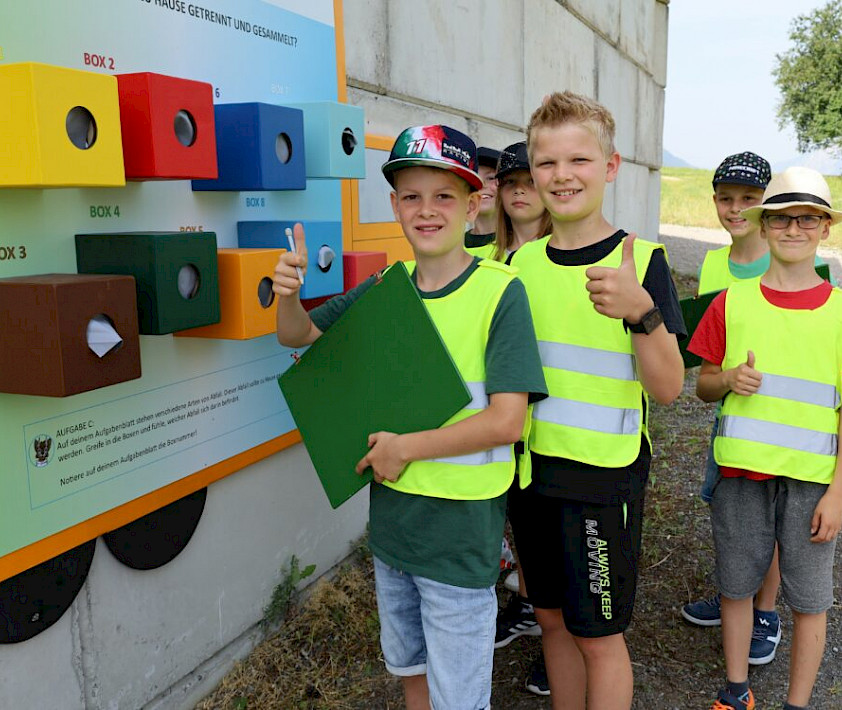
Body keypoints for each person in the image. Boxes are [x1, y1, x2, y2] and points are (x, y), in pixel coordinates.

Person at [273, 124, 547, 710]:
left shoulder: (501, 293)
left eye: (444, 196)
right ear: (394, 205)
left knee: (459, 694)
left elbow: (508, 423)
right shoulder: (384, 290)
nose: (427, 211)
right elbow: (298, 335)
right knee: (411, 670)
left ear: (475, 204)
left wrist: (407, 448)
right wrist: (289, 295)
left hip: (459, 536)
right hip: (395, 528)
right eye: (412, 196)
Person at [509, 91, 686, 709]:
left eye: (580, 160)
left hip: (603, 483)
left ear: (610, 167)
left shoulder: (644, 263)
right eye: (548, 163)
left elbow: (668, 389)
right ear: (532, 172)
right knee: (553, 623)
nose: (563, 176)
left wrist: (642, 314)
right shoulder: (519, 263)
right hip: (531, 478)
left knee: (599, 637)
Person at [687, 166, 842, 710]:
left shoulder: (841, 313)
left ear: (825, 228)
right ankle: (736, 691)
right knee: (735, 587)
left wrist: (838, 492)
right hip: (740, 477)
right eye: (781, 218)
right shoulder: (732, 302)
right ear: (765, 224)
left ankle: (797, 703)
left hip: (811, 486)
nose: (793, 229)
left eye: (807, 219)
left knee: (811, 601)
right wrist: (727, 380)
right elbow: (703, 385)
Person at [682, 153, 785, 667]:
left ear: (767, 203)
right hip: (731, 404)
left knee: (771, 511)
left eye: (749, 199)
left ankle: (765, 611)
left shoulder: (790, 255)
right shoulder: (712, 263)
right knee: (732, 509)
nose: (736, 208)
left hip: (780, 411)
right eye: (726, 198)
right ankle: (736, 598)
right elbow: (709, 346)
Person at [464, 146, 501, 248]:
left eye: (491, 178)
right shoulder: (451, 247)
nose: (482, 184)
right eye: (474, 178)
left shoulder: (522, 244)